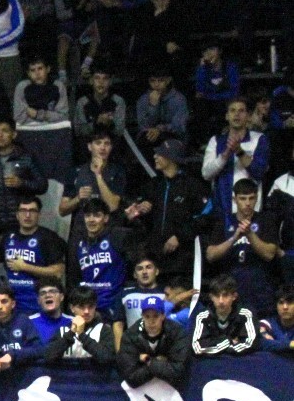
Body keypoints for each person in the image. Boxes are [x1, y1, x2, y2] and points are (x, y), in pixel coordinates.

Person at [124, 138, 212, 277]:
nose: (155, 156)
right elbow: (145, 222)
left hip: (184, 258)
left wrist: (179, 237)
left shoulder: (192, 186)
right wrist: (138, 213)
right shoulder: (153, 185)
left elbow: (205, 217)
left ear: (172, 158)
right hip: (155, 256)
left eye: (160, 154)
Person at [205, 177, 281, 317]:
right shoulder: (224, 221)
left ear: (256, 198)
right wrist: (234, 238)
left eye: (251, 198)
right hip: (230, 290)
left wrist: (250, 234)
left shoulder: (266, 220)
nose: (247, 203)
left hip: (260, 291)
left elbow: (269, 254)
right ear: (235, 199)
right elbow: (210, 255)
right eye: (243, 198)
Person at [0, 119, 47, 234]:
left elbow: (42, 186)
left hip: (21, 225)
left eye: (5, 131)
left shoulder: (26, 157)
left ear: (14, 134)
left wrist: (22, 183)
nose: (0, 135)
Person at [202, 98, 269, 225]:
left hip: (251, 210)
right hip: (222, 209)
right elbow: (206, 174)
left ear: (248, 116)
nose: (236, 114)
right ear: (227, 116)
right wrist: (224, 156)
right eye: (232, 110)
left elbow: (259, 172)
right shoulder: (216, 141)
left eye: (241, 111)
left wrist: (239, 152)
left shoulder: (259, 139)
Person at [2, 198, 66, 313]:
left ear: (39, 214)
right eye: (23, 211)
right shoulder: (8, 236)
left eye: (32, 211)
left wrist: (25, 267)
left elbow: (57, 272)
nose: (27, 215)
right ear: (17, 215)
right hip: (10, 305)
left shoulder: (49, 237)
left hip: (36, 305)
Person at [69, 200, 128, 316]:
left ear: (105, 218)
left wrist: (130, 221)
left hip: (113, 306)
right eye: (88, 215)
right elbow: (74, 279)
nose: (91, 220)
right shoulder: (78, 244)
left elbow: (139, 237)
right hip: (87, 308)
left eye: (97, 215)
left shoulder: (116, 236)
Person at [118, 294, 191, 386]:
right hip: (141, 389)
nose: (151, 321)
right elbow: (131, 378)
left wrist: (148, 361)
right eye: (147, 316)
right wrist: (159, 362)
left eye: (155, 316)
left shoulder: (177, 332)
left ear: (163, 316)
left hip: (172, 388)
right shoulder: (130, 336)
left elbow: (178, 372)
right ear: (142, 316)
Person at [60, 129, 126, 221]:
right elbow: (62, 211)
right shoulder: (75, 172)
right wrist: (77, 198)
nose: (103, 147)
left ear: (111, 147)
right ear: (90, 146)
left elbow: (112, 206)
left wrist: (98, 175)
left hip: (108, 224)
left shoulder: (118, 171)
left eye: (107, 144)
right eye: (98, 143)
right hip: (82, 225)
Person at [44, 284, 116, 363]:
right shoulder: (62, 331)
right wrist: (71, 333)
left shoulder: (104, 330)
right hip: (66, 371)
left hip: (94, 371)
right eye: (81, 307)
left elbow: (107, 358)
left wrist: (82, 335)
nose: (86, 311)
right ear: (72, 308)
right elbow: (48, 357)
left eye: (91, 307)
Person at [190, 274, 259, 356]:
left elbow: (250, 344)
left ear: (234, 296)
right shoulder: (202, 316)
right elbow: (197, 348)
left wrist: (215, 344)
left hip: (239, 359)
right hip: (213, 361)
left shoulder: (246, 314)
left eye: (225, 295)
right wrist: (228, 341)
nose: (221, 301)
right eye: (216, 296)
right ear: (211, 297)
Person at [135, 70, 189, 147]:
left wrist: (160, 129)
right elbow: (143, 125)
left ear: (168, 80)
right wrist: (153, 106)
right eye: (152, 81)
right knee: (146, 138)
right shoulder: (143, 99)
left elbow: (179, 126)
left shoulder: (179, 99)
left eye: (161, 80)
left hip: (172, 136)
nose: (156, 84)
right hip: (150, 136)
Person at [73, 67, 127, 142]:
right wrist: (96, 123)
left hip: (111, 143)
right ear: (91, 81)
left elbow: (120, 131)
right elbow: (78, 131)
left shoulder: (118, 101)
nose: (101, 82)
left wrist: (110, 124)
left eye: (105, 78)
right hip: (89, 144)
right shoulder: (82, 102)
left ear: (110, 81)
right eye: (97, 78)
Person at [13, 56, 68, 128]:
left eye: (40, 68)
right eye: (32, 70)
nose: (37, 73)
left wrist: (38, 115)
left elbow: (64, 116)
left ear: (48, 69)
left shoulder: (58, 86)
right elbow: (19, 117)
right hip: (30, 128)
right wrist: (48, 118)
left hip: (53, 128)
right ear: (28, 73)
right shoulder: (22, 87)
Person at [117, 253, 163, 332]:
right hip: (132, 339)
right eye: (140, 269)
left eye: (148, 267)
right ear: (135, 274)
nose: (144, 272)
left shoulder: (166, 294)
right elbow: (118, 324)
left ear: (156, 271)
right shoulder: (125, 294)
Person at [257, 284, 294, 351]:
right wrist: (290, 344)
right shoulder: (265, 324)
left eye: (290, 302)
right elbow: (261, 343)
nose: (285, 307)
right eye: (281, 303)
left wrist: (276, 344)